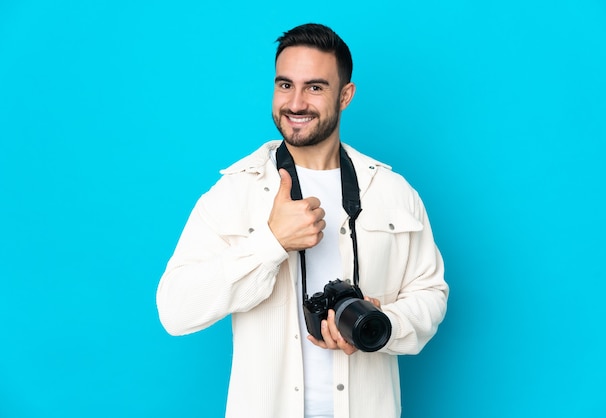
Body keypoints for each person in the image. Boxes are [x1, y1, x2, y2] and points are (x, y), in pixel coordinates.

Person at [156, 23, 449, 418]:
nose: (295, 103)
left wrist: (382, 325)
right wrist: (271, 242)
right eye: (284, 85)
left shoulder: (392, 191)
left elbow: (431, 293)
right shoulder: (234, 191)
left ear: (345, 96)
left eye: (314, 87)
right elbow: (175, 310)